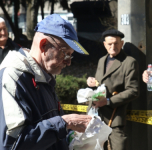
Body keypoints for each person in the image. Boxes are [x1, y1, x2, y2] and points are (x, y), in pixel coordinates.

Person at [0, 14, 92, 150]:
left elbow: (51, 128)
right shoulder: (13, 77)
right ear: (43, 45)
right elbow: (12, 144)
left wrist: (71, 134)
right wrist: (65, 122)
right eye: (65, 53)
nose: (69, 62)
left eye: (70, 55)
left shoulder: (45, 76)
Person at [87, 29, 139, 150]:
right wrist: (92, 82)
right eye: (109, 44)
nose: (113, 46)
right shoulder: (102, 60)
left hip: (115, 117)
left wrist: (108, 101)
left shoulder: (129, 62)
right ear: (105, 44)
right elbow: (101, 83)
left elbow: (133, 90)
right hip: (97, 117)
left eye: (116, 43)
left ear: (122, 43)